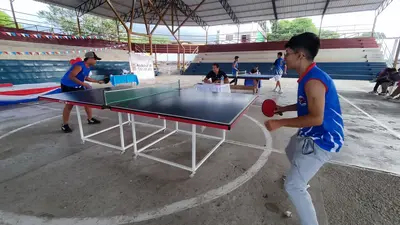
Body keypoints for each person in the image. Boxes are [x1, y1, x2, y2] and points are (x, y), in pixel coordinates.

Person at [265, 32, 344, 225]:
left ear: (300, 55)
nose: (284, 58)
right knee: (292, 148)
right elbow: (304, 104)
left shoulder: (313, 81)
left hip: (324, 139)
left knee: (293, 186)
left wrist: (280, 123)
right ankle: (302, 176)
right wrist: (283, 109)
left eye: (287, 54)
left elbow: (316, 118)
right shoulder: (307, 77)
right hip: (311, 134)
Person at [60, 52, 104, 133]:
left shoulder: (88, 67)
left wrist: (97, 81)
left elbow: (85, 77)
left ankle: (90, 119)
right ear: (90, 58)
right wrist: (84, 84)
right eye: (95, 59)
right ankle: (64, 125)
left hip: (78, 85)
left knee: (87, 101)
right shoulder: (79, 66)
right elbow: (71, 76)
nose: (96, 61)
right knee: (69, 105)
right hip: (68, 85)